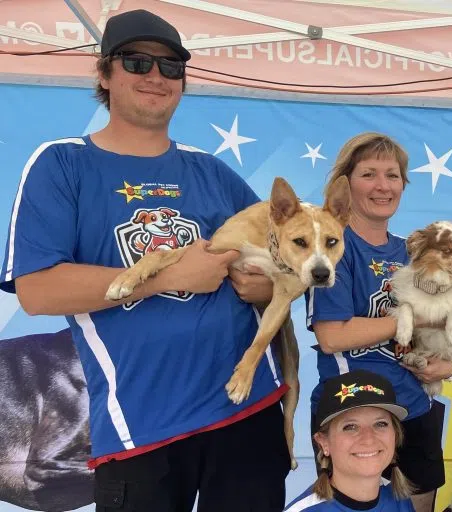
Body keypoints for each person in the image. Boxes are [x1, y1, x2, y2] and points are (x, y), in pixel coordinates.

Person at [0, 9, 289, 511]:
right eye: (137, 62)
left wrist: (267, 285)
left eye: (171, 67)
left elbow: (294, 257)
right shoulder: (62, 163)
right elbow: (38, 289)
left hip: (246, 408)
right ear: (104, 73)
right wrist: (167, 277)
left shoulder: (212, 172)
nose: (155, 77)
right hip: (140, 424)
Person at [305, 133, 452, 512]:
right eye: (369, 174)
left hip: (414, 409)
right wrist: (407, 318)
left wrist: (448, 365)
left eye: (393, 175)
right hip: (353, 412)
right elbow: (332, 336)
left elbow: (441, 327)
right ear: (345, 182)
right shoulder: (334, 247)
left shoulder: (415, 250)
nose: (383, 186)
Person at [285, 370, 415, 512]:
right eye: (350, 427)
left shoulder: (400, 500)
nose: (368, 439)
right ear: (323, 442)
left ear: (395, 435)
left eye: (380, 424)